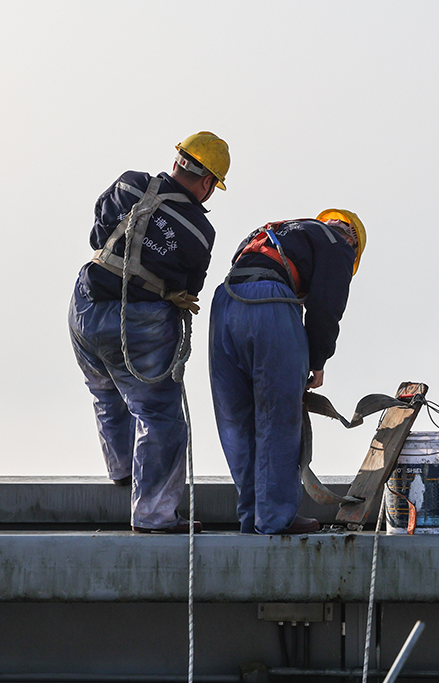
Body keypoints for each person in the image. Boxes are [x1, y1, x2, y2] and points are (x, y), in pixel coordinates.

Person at [69, 131, 230, 533]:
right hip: (138, 326)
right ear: (208, 183)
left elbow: (97, 234)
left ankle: (122, 472)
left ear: (178, 160)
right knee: (160, 417)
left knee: (106, 390)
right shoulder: (199, 233)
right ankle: (153, 515)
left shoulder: (129, 182)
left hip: (85, 309)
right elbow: (190, 289)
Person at [209, 209, 365, 535]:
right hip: (269, 305)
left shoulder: (274, 231)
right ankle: (275, 517)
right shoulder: (339, 243)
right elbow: (326, 305)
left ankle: (252, 514)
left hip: (225, 302)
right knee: (279, 416)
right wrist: (317, 361)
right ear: (352, 242)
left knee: (236, 419)